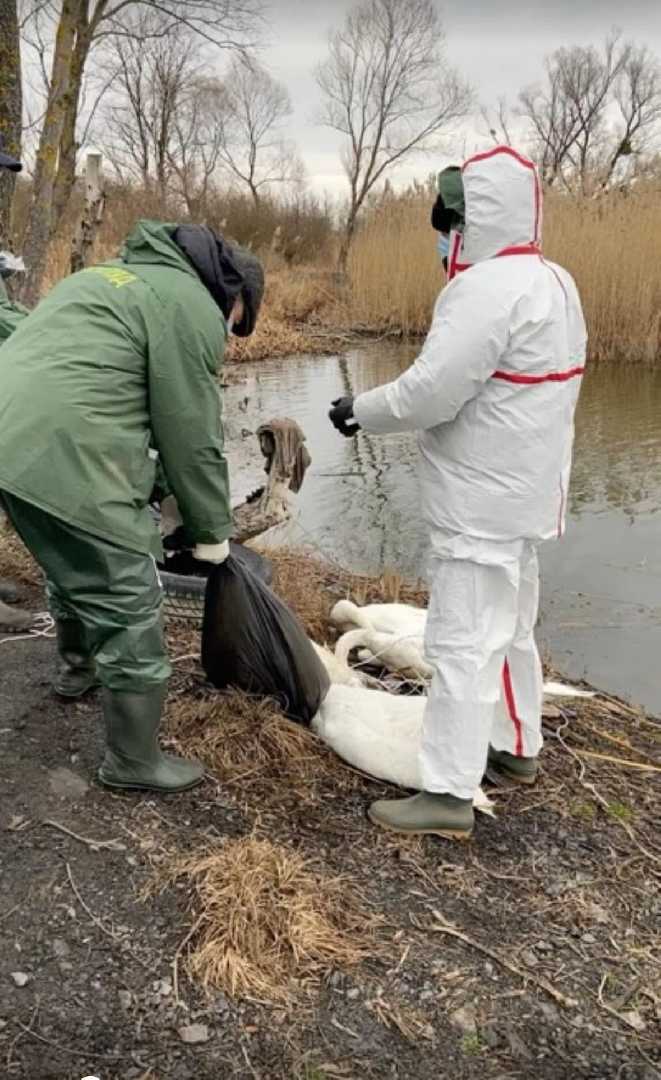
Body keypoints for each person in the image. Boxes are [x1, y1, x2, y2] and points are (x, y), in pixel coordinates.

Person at [329, 146, 587, 841]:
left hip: (479, 505)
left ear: (469, 222)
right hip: (526, 498)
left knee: (461, 641)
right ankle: (515, 745)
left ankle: (446, 791)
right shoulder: (553, 282)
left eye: (447, 224)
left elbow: (429, 392)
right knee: (510, 630)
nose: (442, 239)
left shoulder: (481, 290)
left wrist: (359, 410)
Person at [0, 221, 264, 793]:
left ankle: (77, 672)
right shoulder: (190, 306)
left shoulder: (105, 277)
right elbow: (192, 435)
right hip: (65, 449)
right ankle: (134, 762)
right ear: (230, 292)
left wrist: (171, 498)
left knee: (70, 560)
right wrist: (212, 534)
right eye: (235, 322)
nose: (227, 333)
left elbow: (138, 403)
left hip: (10, 445)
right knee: (128, 595)